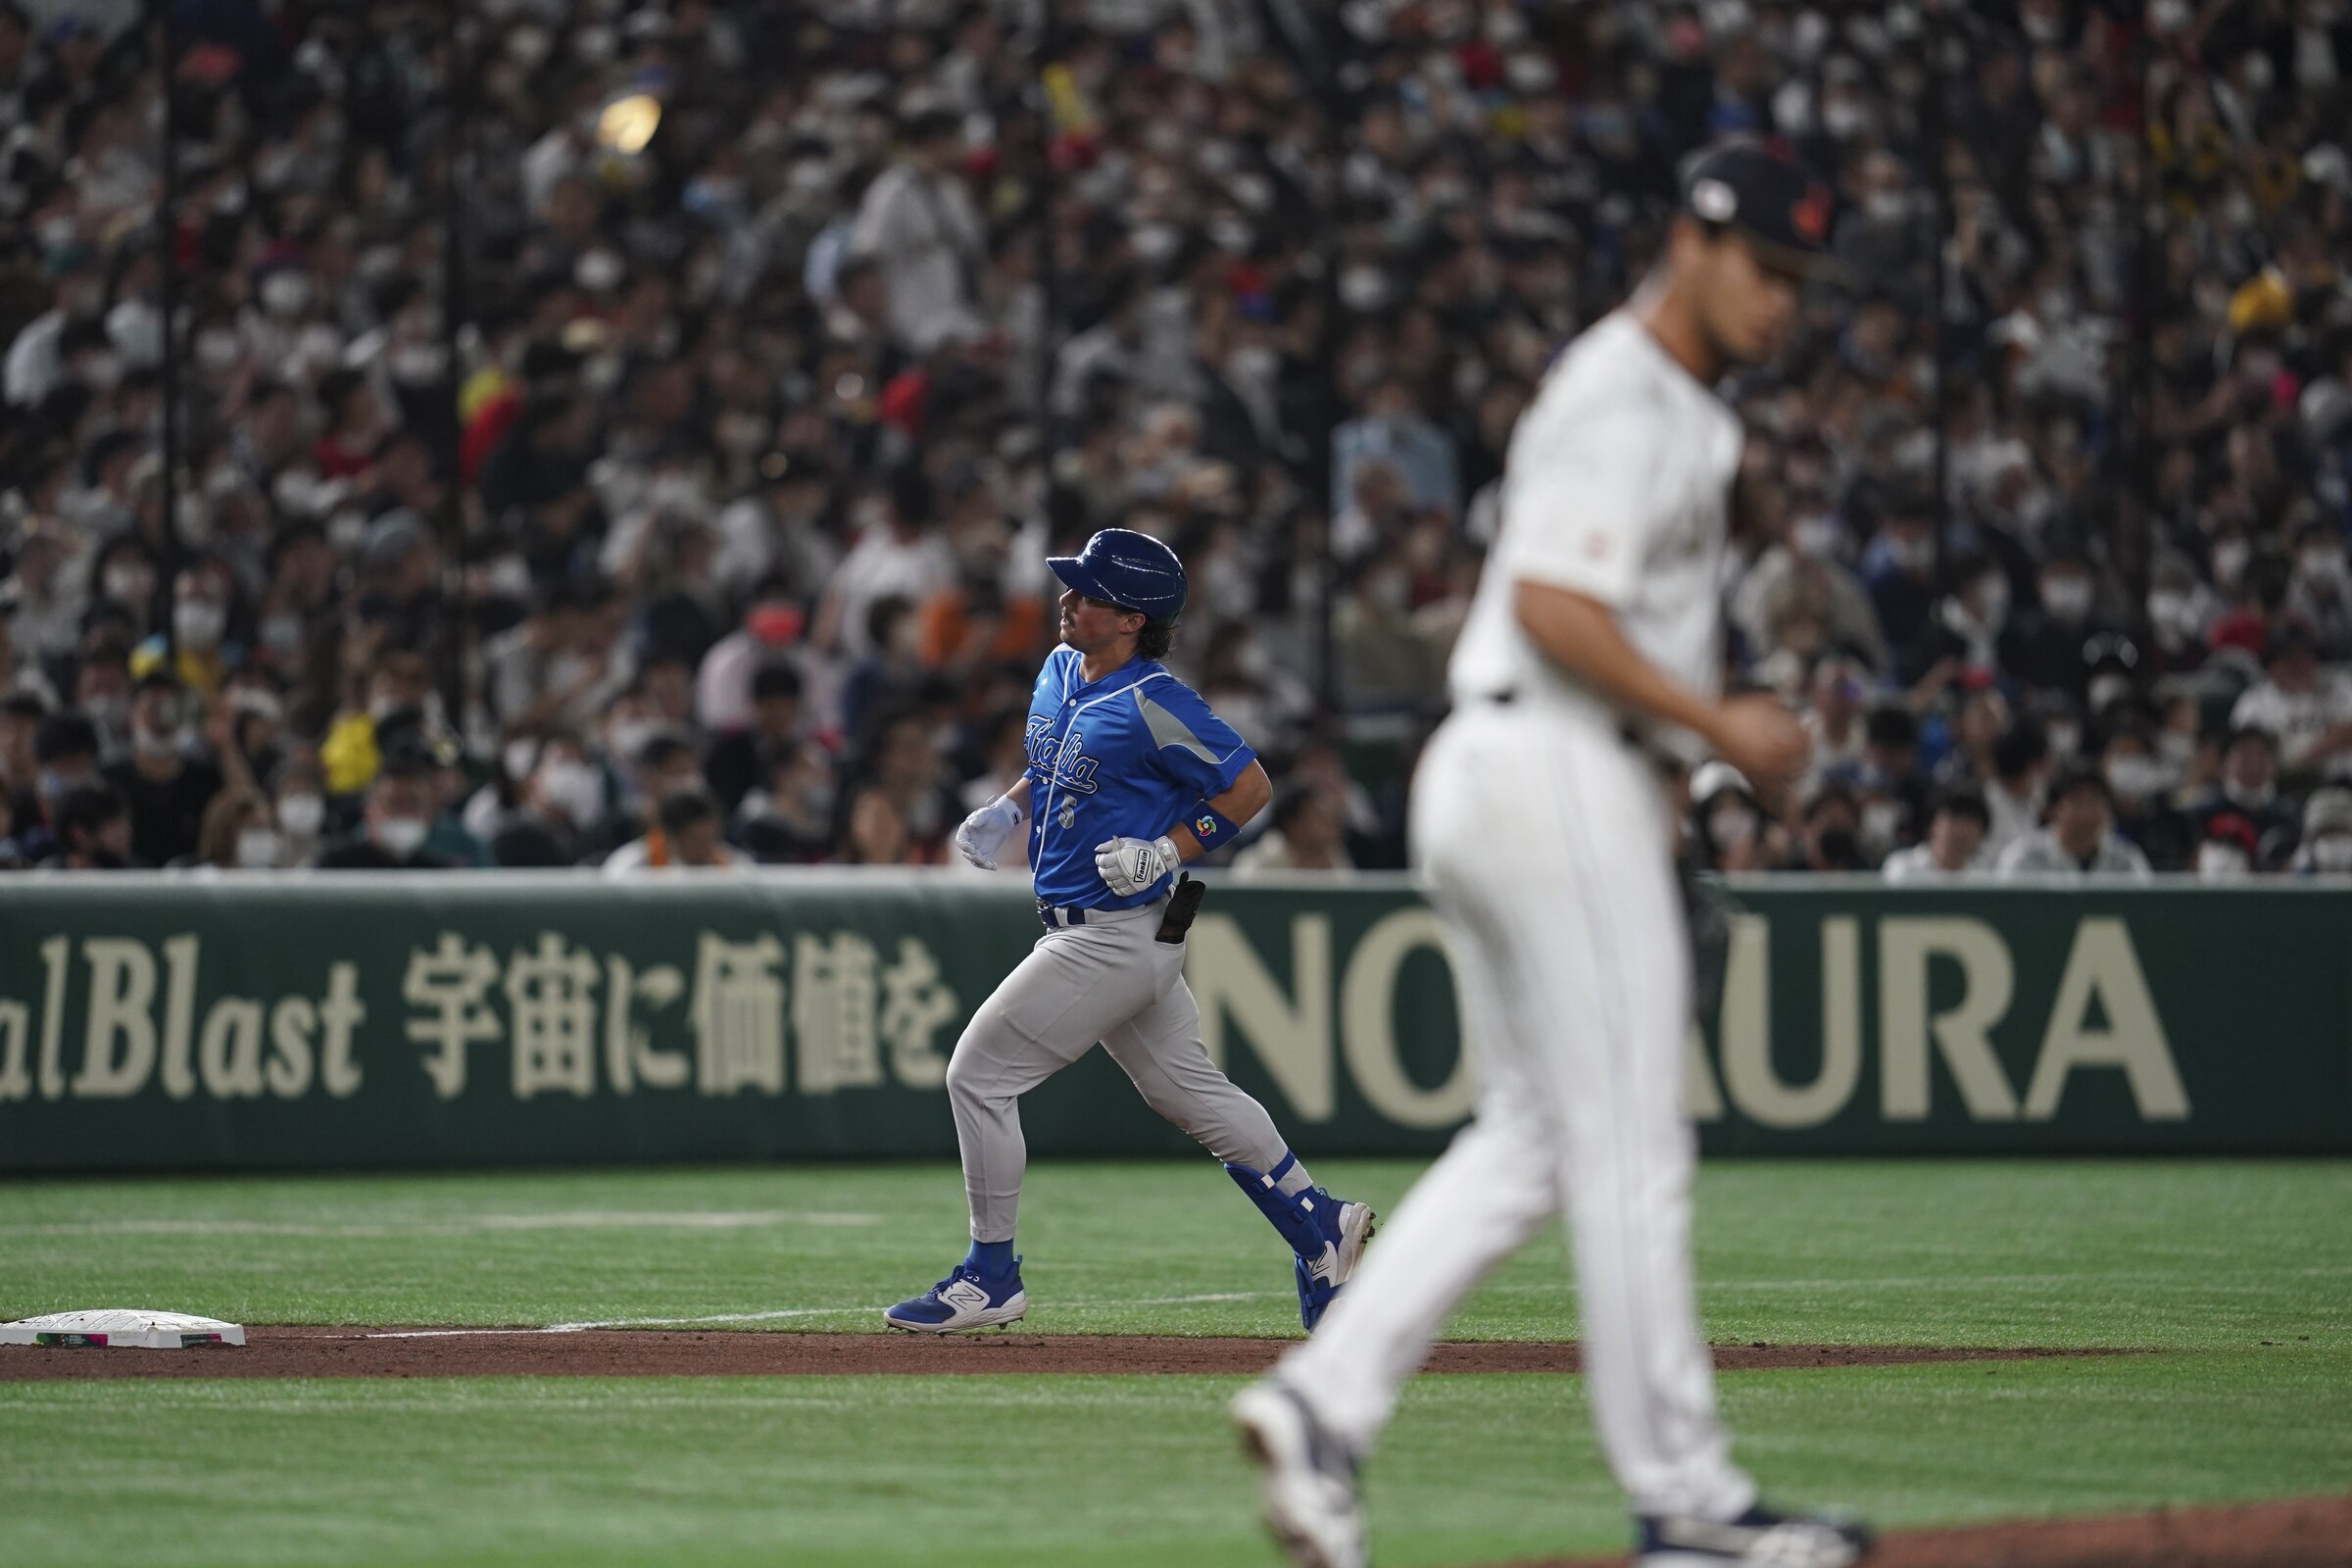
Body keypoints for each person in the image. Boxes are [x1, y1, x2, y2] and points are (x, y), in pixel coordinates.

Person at [1233, 145, 1867, 1568]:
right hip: (1547, 756)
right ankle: (1688, 1502)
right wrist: (1719, 730)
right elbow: (1556, 603)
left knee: (1529, 1140)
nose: (1780, 300)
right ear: (1688, 241)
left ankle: (1325, 1405)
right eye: (1761, 265)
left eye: (1797, 278)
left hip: (1529, 769)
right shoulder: (1628, 393)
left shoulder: (1671, 403)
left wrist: (1668, 775)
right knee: (1635, 1150)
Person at [885, 528, 1375, 1336]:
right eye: (1073, 586)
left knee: (978, 1075)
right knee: (1188, 1094)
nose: (1069, 599)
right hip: (1109, 933)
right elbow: (1053, 767)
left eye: (1090, 592)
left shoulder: (1158, 701)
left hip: (1113, 933)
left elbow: (1250, 786)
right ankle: (1319, 1226)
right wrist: (1012, 806)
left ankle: (991, 1275)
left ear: (1134, 619)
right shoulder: (1058, 667)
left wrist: (1168, 849)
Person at [1993, 765, 2154, 878]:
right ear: (2054, 809)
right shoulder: (2024, 857)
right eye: (2077, 801)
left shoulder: (2126, 859)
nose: (2086, 811)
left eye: (2094, 801)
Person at [1883, 788, 1991, 881]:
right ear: (1933, 825)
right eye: (1954, 819)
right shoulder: (1903, 868)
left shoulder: (1985, 877)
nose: (1962, 830)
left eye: (1970, 821)